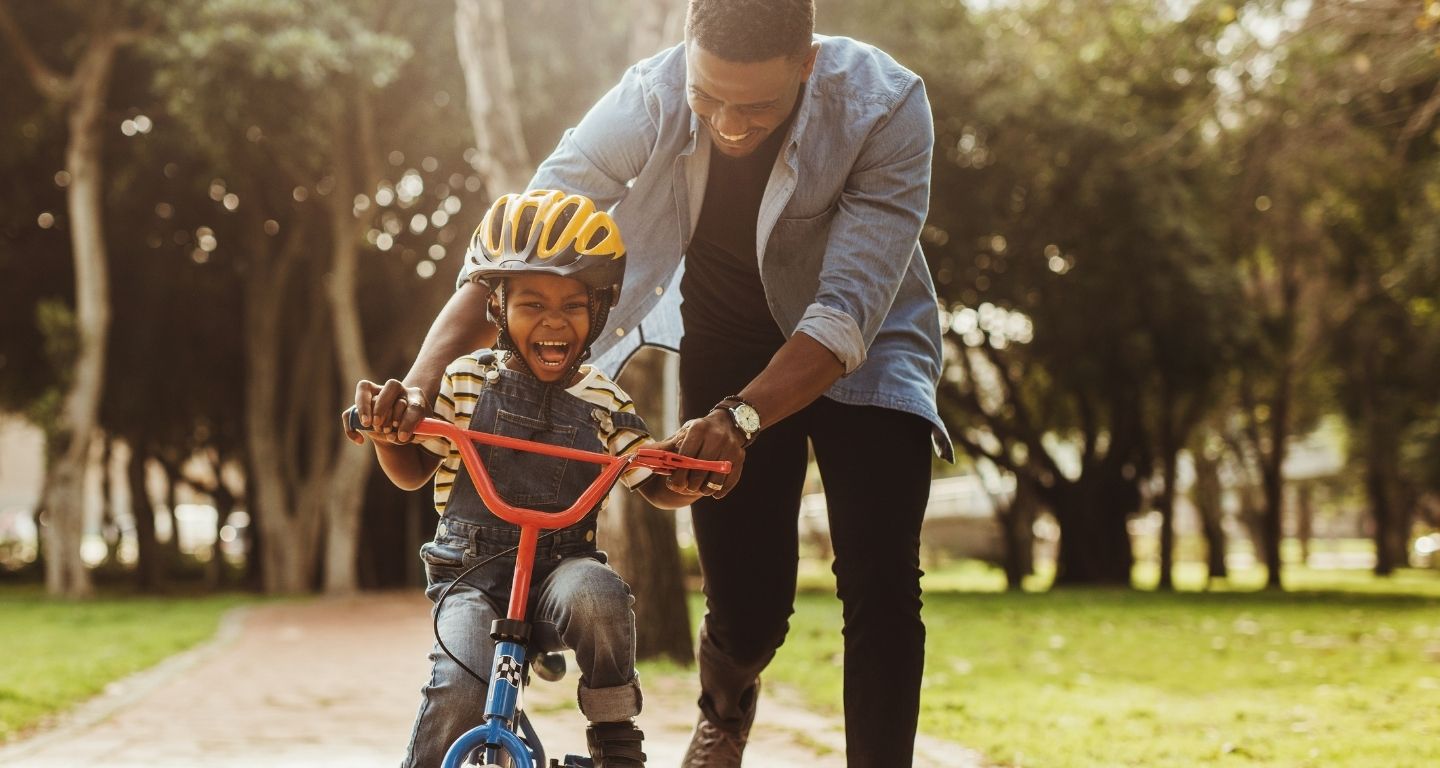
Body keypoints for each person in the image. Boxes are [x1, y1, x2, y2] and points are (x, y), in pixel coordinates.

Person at [359, 1, 954, 765]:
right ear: (687, 58)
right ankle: (727, 705)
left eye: (758, 107)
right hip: (730, 340)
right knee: (749, 607)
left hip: (865, 346)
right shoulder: (652, 93)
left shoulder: (888, 105)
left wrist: (741, 420)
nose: (730, 127)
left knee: (881, 581)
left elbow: (844, 315)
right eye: (711, 100)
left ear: (808, 64)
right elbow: (527, 240)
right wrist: (422, 378)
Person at [347, 190, 704, 768]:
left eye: (574, 305)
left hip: (559, 573)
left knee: (599, 593)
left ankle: (616, 739)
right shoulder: (466, 380)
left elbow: (648, 475)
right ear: (497, 308)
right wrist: (391, 436)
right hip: (471, 574)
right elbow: (413, 470)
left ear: (600, 310)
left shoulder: (604, 400)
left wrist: (682, 479)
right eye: (532, 303)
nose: (554, 321)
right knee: (460, 687)